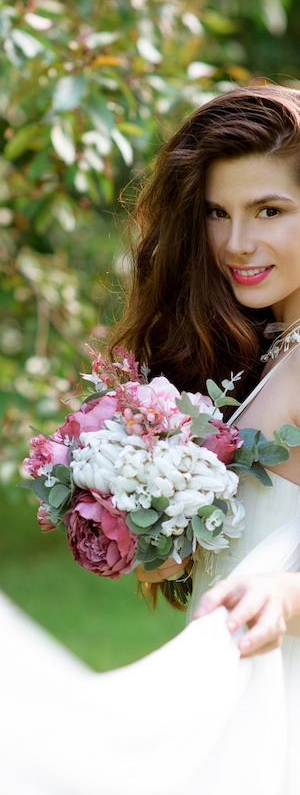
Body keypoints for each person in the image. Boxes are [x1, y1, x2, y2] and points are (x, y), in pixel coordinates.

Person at [2, 84, 300, 795]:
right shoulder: (268, 349)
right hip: (235, 666)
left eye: (270, 211)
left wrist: (290, 594)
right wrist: (170, 533)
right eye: (216, 213)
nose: (237, 243)